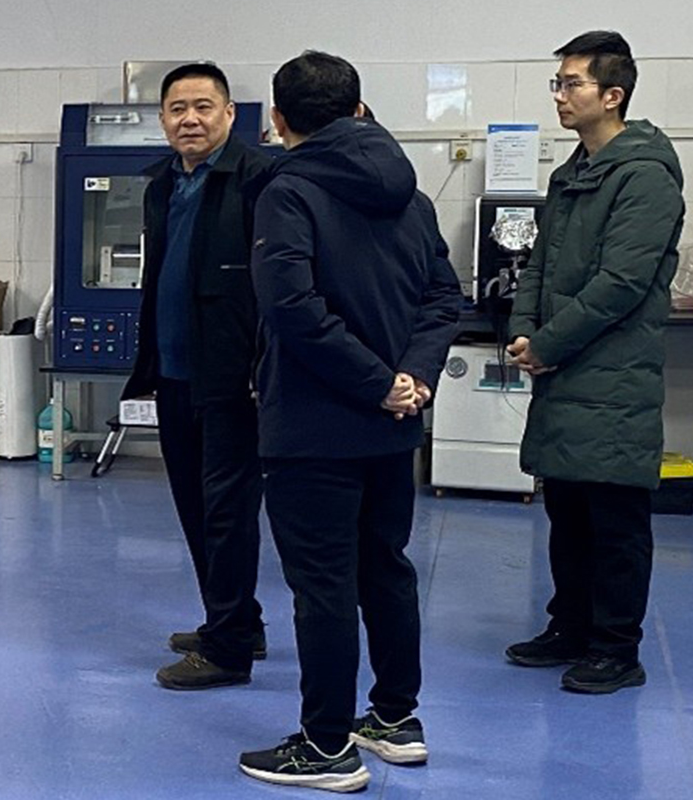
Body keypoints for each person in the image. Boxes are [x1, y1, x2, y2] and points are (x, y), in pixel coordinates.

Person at [237, 51, 460, 792]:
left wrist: (376, 386)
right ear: (361, 110)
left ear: (278, 120)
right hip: (393, 426)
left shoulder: (287, 192)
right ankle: (395, 718)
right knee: (385, 569)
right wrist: (411, 379)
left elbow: (291, 307)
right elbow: (443, 297)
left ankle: (327, 746)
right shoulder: (412, 197)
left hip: (314, 426)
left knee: (324, 586)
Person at [505, 31, 684, 694]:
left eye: (572, 83)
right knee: (568, 509)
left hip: (613, 374)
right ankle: (571, 626)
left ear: (613, 95)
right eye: (557, 83)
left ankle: (616, 647)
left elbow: (621, 283)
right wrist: (523, 330)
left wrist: (547, 345)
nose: (560, 95)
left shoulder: (644, 175)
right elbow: (539, 266)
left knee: (614, 519)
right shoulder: (571, 173)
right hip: (565, 370)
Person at [121, 63, 273, 690]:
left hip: (233, 377)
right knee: (192, 504)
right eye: (177, 108)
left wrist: (262, 365)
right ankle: (235, 620)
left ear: (230, 114)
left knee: (227, 512)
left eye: (204, 106)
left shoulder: (259, 179)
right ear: (162, 119)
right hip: (174, 371)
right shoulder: (162, 184)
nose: (190, 119)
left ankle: (229, 649)